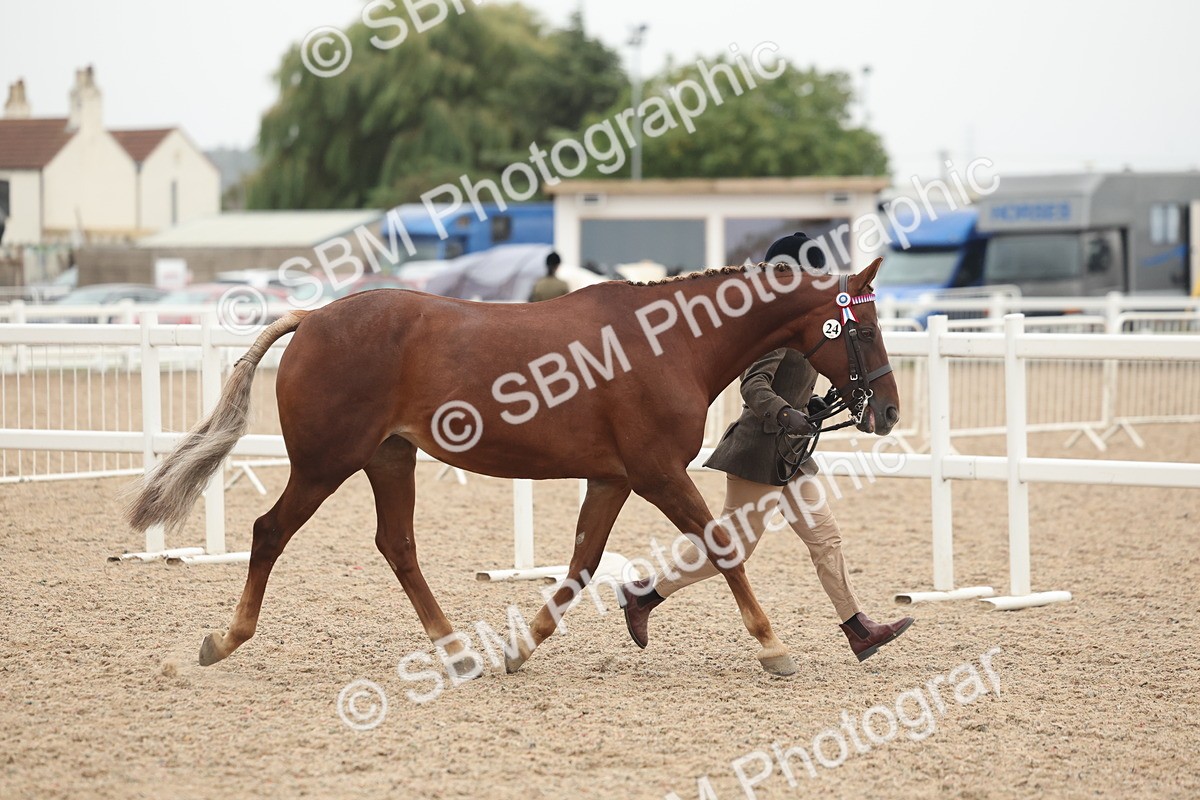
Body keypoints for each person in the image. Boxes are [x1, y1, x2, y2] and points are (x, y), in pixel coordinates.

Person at [618, 232, 914, 663]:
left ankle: (858, 628)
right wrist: (784, 413)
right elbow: (754, 385)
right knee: (732, 549)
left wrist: (810, 406)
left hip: (792, 454)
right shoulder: (773, 329)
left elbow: (798, 382)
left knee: (825, 539)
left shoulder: (808, 320)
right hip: (759, 451)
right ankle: (644, 595)